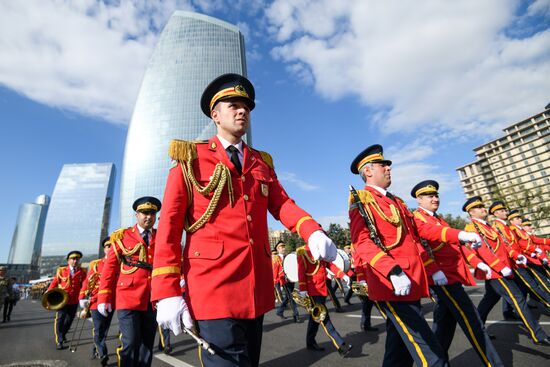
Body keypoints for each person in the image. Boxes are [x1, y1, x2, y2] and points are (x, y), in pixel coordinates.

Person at [151, 73, 337, 367]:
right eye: (233, 104)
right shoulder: (190, 158)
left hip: (256, 291)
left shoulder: (260, 162)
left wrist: (312, 231)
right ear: (215, 114)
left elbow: (283, 203)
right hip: (213, 289)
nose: (242, 111)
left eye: (246, 106)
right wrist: (166, 291)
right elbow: (170, 229)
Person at [348, 144, 482, 367]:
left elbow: (421, 231)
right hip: (390, 284)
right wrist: (391, 269)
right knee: (432, 354)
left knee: (398, 352)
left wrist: (457, 235)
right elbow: (361, 242)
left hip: (411, 281)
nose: (389, 168)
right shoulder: (361, 199)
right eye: (383, 165)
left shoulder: (397, 202)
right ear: (369, 171)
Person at [411, 180, 503, 366]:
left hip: (451, 275)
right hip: (442, 278)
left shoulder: (438, 218)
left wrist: (477, 262)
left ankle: (438, 362)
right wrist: (433, 270)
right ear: (419, 199)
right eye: (430, 196)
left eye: (436, 195)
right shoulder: (418, 218)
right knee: (473, 321)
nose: (435, 198)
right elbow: (419, 246)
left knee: (444, 326)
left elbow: (457, 248)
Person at [463, 196, 550, 346]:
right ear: (471, 212)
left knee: (489, 300)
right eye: (479, 207)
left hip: (505, 268)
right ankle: (538, 335)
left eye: (483, 206)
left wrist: (516, 256)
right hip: (495, 272)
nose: (484, 208)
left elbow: (505, 246)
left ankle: (477, 330)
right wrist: (500, 267)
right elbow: (484, 251)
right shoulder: (472, 228)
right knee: (518, 299)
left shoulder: (488, 226)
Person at [98, 196, 161, 367]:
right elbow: (109, 269)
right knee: (131, 341)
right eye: (144, 212)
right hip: (128, 298)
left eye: (152, 213)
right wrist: (103, 297)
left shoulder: (161, 236)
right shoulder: (121, 236)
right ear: (136, 214)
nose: (148, 216)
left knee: (147, 344)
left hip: (153, 298)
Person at [490, 203, 550, 319]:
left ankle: (509, 311)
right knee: (533, 286)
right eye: (517, 218)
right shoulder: (499, 227)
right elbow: (507, 246)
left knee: (522, 288)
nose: (520, 219)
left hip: (520, 260)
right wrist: (525, 253)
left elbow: (530, 241)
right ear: (496, 213)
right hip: (514, 262)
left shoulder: (507, 227)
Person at [296, 245, 352, 356]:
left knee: (315, 318)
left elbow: (330, 265)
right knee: (324, 318)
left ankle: (310, 342)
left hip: (322, 289)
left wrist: (342, 275)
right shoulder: (303, 252)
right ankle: (341, 345)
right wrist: (302, 289)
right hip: (312, 290)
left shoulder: (321, 249)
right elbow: (301, 271)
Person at [79, 237, 114, 366]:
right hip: (95, 301)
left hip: (111, 301)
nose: (110, 248)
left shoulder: (120, 263)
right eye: (107, 246)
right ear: (104, 249)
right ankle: (103, 353)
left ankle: (96, 347)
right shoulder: (96, 264)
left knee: (104, 329)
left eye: (112, 246)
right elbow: (87, 281)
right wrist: (82, 297)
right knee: (99, 328)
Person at [47, 250, 86, 349]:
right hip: (62, 300)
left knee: (69, 320)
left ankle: (63, 334)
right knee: (60, 318)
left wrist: (85, 295)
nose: (75, 261)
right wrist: (48, 292)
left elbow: (84, 285)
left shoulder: (82, 272)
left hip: (74, 300)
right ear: (68, 261)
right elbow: (55, 282)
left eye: (77, 259)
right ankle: (59, 340)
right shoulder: (61, 270)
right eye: (73, 259)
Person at [272, 240, 299, 322]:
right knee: (291, 297)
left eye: (284, 247)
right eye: (281, 247)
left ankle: (280, 311)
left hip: (291, 280)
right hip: (284, 281)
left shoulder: (288, 257)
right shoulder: (276, 258)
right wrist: (276, 281)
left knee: (287, 297)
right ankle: (296, 315)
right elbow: (275, 271)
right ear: (278, 249)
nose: (283, 249)